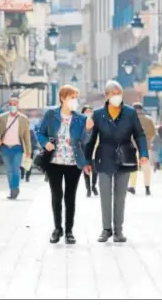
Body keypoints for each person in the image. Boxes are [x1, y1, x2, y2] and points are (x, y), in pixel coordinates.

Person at [85, 80, 149, 243]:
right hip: (104, 157)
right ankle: (106, 229)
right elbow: (91, 139)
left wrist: (143, 153)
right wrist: (86, 160)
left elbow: (139, 134)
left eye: (118, 93)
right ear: (107, 96)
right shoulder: (98, 114)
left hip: (125, 157)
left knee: (120, 196)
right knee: (105, 195)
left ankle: (118, 231)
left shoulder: (130, 112)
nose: (116, 97)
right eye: (113, 94)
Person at [38, 85, 92, 244]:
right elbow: (40, 133)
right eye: (71, 97)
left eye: (76, 97)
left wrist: (88, 130)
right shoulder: (50, 114)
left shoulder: (81, 119)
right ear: (63, 98)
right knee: (56, 196)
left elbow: (84, 141)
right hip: (54, 161)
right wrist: (45, 142)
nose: (74, 101)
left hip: (73, 163)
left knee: (70, 197)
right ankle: (57, 229)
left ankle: (69, 230)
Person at [0, 96, 31, 200]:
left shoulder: (24, 119)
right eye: (10, 105)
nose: (12, 107)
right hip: (5, 148)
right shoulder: (2, 118)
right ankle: (12, 190)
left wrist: (28, 151)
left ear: (17, 106)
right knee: (9, 170)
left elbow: (26, 137)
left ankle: (15, 189)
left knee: (16, 169)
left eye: (14, 105)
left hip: (17, 148)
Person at [128, 102, 156, 196]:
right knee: (146, 168)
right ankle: (147, 187)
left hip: (133, 147)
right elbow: (153, 133)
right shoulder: (149, 120)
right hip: (145, 147)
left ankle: (132, 187)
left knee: (133, 167)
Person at [81, 105, 98, 197]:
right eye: (86, 111)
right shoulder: (80, 123)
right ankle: (88, 189)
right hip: (84, 150)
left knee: (95, 170)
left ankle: (94, 185)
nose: (88, 113)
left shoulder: (95, 123)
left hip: (95, 150)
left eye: (89, 111)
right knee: (86, 170)